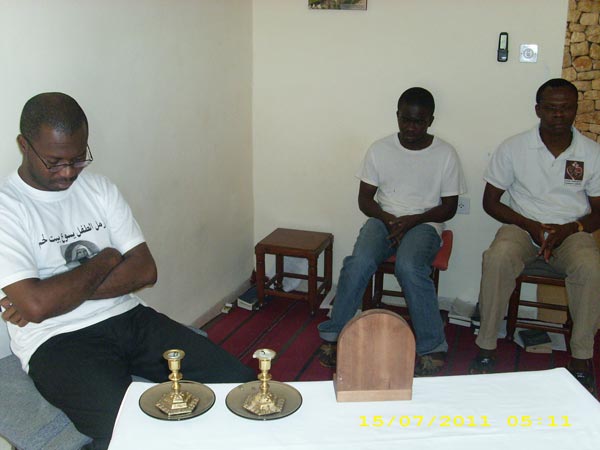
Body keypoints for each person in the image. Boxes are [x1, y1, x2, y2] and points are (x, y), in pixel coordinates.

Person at [0, 93, 255, 449]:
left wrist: (51, 292)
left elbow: (145, 271)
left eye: (78, 159)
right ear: (24, 145)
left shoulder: (99, 189)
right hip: (55, 341)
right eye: (54, 162)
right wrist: (106, 258)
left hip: (129, 317)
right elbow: (37, 308)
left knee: (241, 385)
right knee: (131, 430)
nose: (69, 172)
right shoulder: (8, 207)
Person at [317, 87, 466, 375]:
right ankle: (335, 335)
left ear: (431, 121)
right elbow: (365, 200)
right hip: (383, 219)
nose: (411, 128)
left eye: (419, 122)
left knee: (409, 267)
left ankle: (432, 346)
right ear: (397, 116)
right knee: (358, 262)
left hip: (425, 223)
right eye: (405, 120)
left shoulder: (445, 154)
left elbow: (448, 208)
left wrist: (411, 221)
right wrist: (388, 218)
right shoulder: (380, 149)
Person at [470, 78, 600, 395]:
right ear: (538, 110)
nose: (559, 115)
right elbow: (490, 202)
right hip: (522, 227)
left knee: (591, 267)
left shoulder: (592, 152)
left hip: (571, 232)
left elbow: (598, 210)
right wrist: (530, 225)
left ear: (575, 109)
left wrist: (569, 229)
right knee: (497, 257)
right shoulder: (514, 147)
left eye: (566, 108)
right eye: (551, 108)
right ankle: (486, 347)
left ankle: (581, 357)